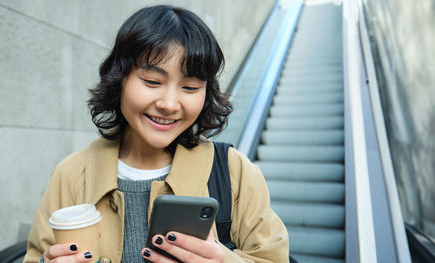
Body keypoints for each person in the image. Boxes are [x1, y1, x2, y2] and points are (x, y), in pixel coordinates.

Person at [24, 5, 289, 263]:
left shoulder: (234, 171)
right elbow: (37, 255)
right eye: (152, 82)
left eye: (190, 87)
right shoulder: (70, 174)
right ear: (120, 78)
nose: (170, 104)